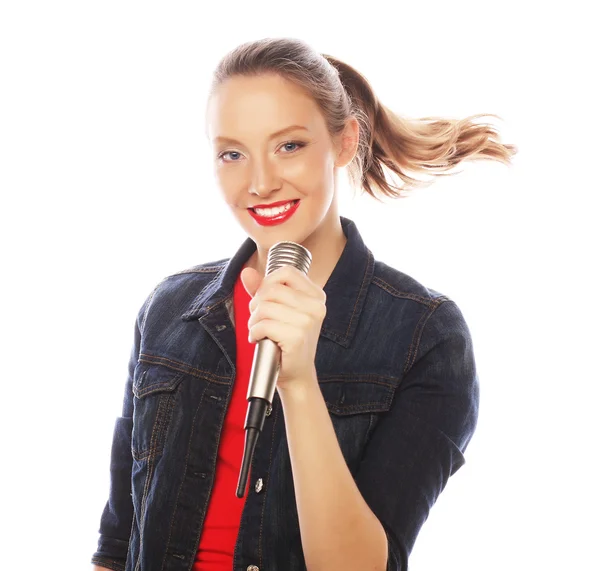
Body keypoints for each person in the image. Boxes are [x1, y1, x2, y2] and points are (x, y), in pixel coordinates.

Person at [91, 37, 517, 571]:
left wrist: (298, 382)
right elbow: (116, 542)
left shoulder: (425, 336)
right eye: (232, 154)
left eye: (289, 145)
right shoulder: (168, 309)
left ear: (343, 143)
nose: (262, 182)